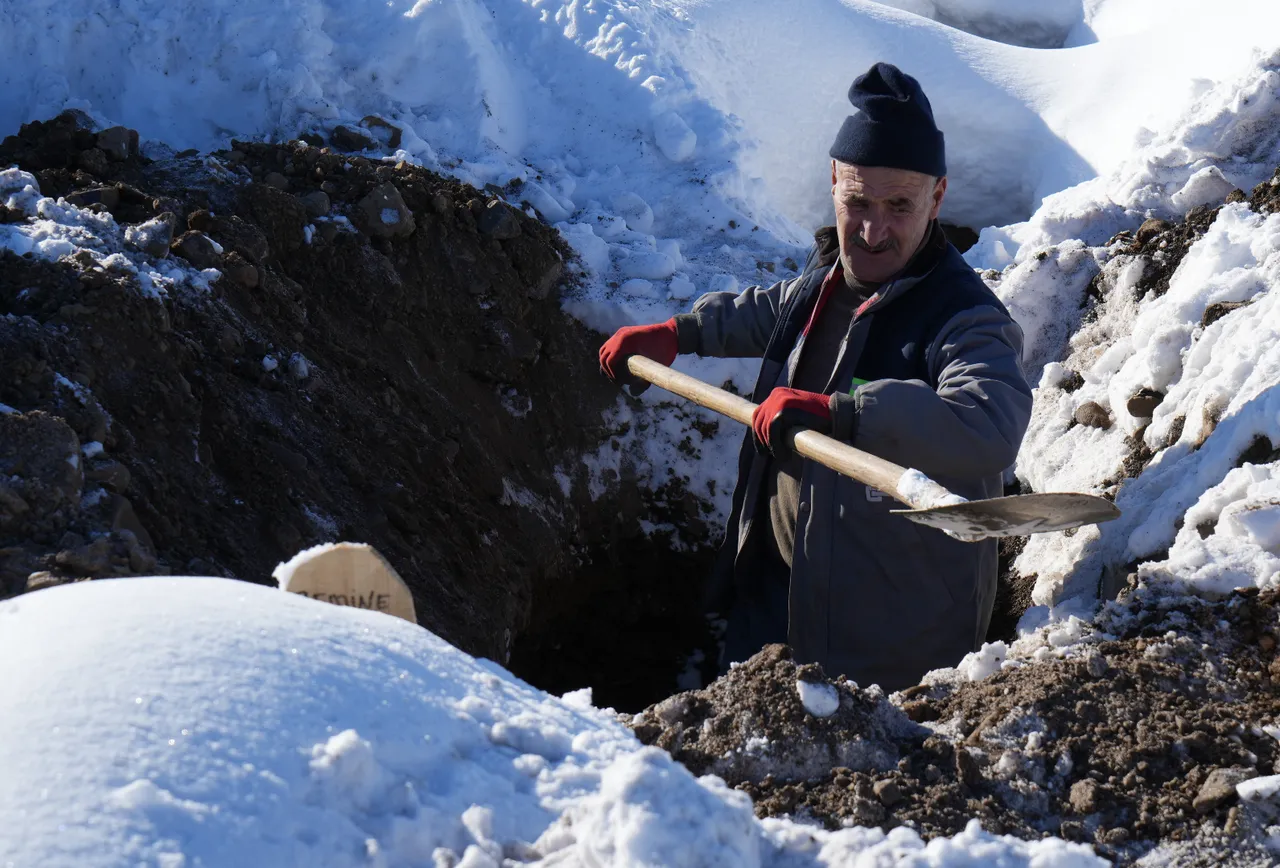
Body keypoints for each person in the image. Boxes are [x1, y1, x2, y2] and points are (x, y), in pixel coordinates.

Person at [598, 62, 1033, 692]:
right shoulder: (829, 279)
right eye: (856, 201)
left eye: (899, 205)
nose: (873, 229)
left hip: (887, 637)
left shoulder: (963, 318)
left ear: (938, 198)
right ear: (833, 181)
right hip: (777, 594)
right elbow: (775, 310)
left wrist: (845, 411)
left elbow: (988, 421)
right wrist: (681, 332)